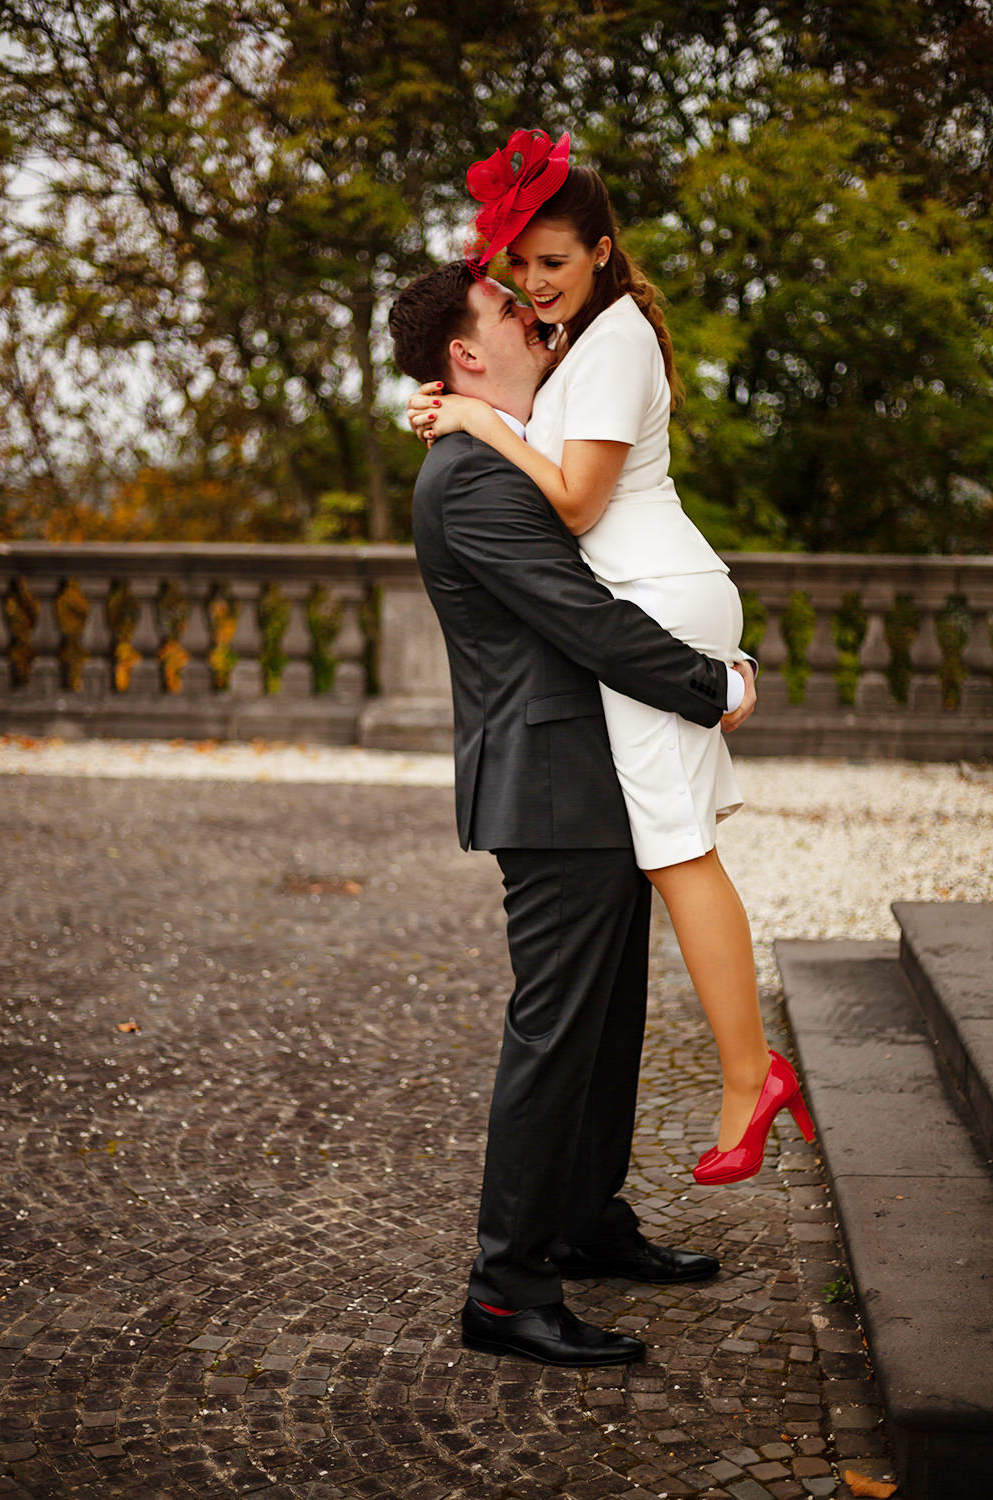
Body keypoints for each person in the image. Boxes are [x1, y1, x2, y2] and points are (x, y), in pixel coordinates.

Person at [407, 129, 815, 1189]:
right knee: (673, 851)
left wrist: (472, 423)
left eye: (554, 262)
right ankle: (730, 1086)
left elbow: (577, 498)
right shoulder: (583, 342)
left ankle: (747, 1077)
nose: (534, 286)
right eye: (521, 269)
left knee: (679, 851)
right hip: (656, 588)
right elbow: (527, 420)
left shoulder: (615, 335)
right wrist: (453, 407)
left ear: (600, 249)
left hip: (655, 599)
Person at [389, 255, 756, 1369]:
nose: (533, 307)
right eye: (509, 305)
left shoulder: (504, 451)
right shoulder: (472, 478)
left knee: (603, 1026)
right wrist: (712, 686)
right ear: (464, 351)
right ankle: (505, 1289)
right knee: (553, 1036)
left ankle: (589, 1223)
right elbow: (583, 618)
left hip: (588, 776)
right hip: (553, 787)